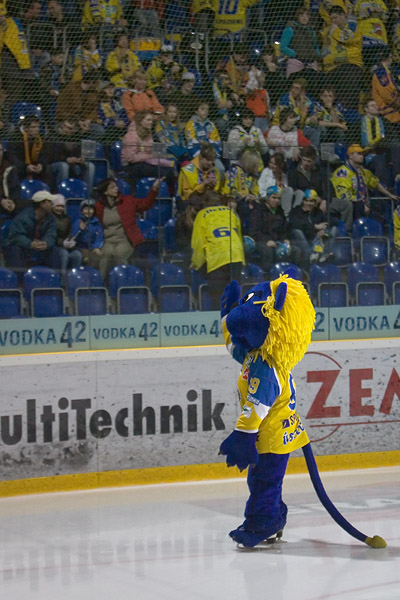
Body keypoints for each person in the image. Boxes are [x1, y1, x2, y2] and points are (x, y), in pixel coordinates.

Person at [94, 176, 165, 282]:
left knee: (119, 253)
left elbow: (145, 204)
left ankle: (126, 282)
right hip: (108, 240)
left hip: (125, 239)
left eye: (116, 186)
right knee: (105, 255)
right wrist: (96, 245)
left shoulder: (127, 201)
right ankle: (100, 284)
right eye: (112, 187)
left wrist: (154, 189)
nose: (117, 188)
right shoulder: (98, 207)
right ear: (105, 192)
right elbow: (94, 223)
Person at [191, 191, 245, 310]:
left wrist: (196, 263)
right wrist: (242, 260)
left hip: (217, 257)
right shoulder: (231, 213)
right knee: (234, 297)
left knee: (219, 299)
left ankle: (220, 319)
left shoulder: (202, 215)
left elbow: (198, 242)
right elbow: (239, 237)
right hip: (236, 255)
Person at [330, 144, 398, 232]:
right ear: (350, 155)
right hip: (351, 207)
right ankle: (347, 233)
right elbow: (343, 195)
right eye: (359, 154)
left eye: (362, 154)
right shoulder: (342, 172)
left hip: (364, 205)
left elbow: (375, 183)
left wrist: (389, 194)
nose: (362, 156)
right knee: (354, 207)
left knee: (380, 212)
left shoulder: (364, 172)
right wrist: (361, 206)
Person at [7, 190, 58, 283]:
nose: (52, 204)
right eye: (49, 202)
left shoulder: (51, 218)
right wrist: (30, 243)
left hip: (40, 247)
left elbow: (51, 235)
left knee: (55, 251)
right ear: (42, 204)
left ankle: (54, 282)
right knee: (15, 250)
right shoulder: (23, 217)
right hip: (25, 248)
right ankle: (19, 283)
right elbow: (16, 236)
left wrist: (46, 243)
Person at [248, 185, 300, 274]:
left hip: (277, 241)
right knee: (268, 251)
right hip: (260, 241)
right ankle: (268, 276)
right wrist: (267, 240)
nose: (276, 201)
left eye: (278, 198)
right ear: (267, 198)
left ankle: (292, 275)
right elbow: (253, 231)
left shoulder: (280, 211)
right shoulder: (258, 211)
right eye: (274, 197)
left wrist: (285, 239)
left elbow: (284, 229)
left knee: (295, 250)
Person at [121, 110, 175, 194]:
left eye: (152, 120)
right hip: (133, 166)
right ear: (140, 121)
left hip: (145, 162)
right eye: (148, 120)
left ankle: (169, 195)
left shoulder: (147, 132)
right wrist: (149, 156)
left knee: (171, 168)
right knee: (165, 172)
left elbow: (150, 148)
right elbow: (130, 158)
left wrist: (160, 154)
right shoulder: (131, 136)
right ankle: (163, 194)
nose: (151, 122)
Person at [321, 6, 363, 109]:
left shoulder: (352, 26)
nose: (333, 21)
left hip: (349, 66)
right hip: (331, 69)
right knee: (335, 99)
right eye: (331, 18)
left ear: (343, 16)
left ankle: (350, 115)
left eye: (335, 18)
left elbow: (347, 38)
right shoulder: (329, 30)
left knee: (348, 96)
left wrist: (334, 31)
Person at [48, 117, 95, 194]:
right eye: (64, 126)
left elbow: (79, 153)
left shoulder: (76, 138)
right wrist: (66, 159)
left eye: (69, 128)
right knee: (64, 166)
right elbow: (50, 157)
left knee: (90, 166)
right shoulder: (52, 136)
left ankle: (86, 195)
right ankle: (61, 195)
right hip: (54, 164)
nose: (66, 130)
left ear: (74, 130)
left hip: (72, 164)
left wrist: (80, 159)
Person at [288, 188, 332, 268]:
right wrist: (315, 227)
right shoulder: (296, 210)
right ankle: (310, 255)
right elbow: (294, 224)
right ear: (303, 201)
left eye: (311, 201)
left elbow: (331, 222)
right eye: (306, 201)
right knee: (297, 231)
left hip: (315, 239)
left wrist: (323, 229)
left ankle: (325, 253)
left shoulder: (318, 212)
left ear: (315, 203)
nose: (308, 203)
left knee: (333, 229)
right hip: (300, 239)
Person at [55, 71, 104, 140]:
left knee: (99, 130)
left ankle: (83, 144)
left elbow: (94, 110)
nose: (99, 85)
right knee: (68, 129)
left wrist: (88, 121)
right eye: (98, 83)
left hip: (84, 121)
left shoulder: (94, 93)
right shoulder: (70, 88)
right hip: (66, 120)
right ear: (91, 82)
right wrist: (77, 121)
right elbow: (61, 110)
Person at [222, 148, 262, 230]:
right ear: (251, 164)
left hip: (248, 200)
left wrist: (254, 196)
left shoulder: (253, 176)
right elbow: (228, 191)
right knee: (244, 207)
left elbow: (256, 191)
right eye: (257, 164)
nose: (259, 167)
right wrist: (243, 197)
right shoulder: (234, 171)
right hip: (234, 200)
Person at [280, 7, 321, 85]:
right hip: (296, 64)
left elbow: (315, 46)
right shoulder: (290, 29)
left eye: (307, 15)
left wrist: (317, 54)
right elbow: (283, 46)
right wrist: (295, 54)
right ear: (297, 16)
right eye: (302, 15)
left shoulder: (311, 31)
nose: (304, 18)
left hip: (310, 65)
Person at [50, 194, 82, 285]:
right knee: (64, 254)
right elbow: (50, 236)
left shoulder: (66, 218)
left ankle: (74, 281)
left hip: (65, 245)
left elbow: (69, 233)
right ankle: (63, 283)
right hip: (53, 247)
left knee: (77, 255)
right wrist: (62, 243)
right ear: (52, 206)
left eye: (62, 206)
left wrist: (70, 241)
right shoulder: (49, 218)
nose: (60, 208)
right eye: (57, 206)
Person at [8, 115, 49, 184]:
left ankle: (46, 189)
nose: (37, 129)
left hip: (35, 166)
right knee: (14, 169)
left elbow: (45, 154)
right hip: (21, 166)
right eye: (34, 127)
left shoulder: (40, 138)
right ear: (26, 128)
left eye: (38, 127)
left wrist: (41, 164)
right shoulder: (15, 138)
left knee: (48, 169)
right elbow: (12, 157)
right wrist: (26, 167)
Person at [72, 199, 104, 269]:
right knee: (89, 260)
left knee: (101, 258)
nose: (88, 211)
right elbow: (73, 237)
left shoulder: (97, 223)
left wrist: (97, 247)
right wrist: (80, 229)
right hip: (81, 248)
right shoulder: (78, 222)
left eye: (91, 209)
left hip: (93, 247)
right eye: (86, 209)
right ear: (82, 211)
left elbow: (100, 236)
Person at [98, 80, 129, 144]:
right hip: (109, 129)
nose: (110, 90)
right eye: (107, 88)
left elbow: (124, 113)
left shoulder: (117, 102)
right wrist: (115, 123)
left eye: (111, 88)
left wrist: (124, 123)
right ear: (101, 91)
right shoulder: (100, 105)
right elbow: (103, 120)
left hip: (122, 127)